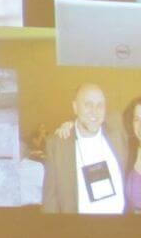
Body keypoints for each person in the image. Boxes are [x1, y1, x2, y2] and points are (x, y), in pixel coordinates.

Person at [42, 83, 129, 214]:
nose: (94, 111)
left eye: (100, 105)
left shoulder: (117, 134)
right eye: (88, 104)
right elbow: (50, 202)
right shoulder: (58, 146)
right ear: (75, 107)